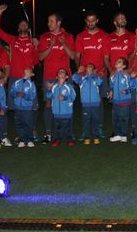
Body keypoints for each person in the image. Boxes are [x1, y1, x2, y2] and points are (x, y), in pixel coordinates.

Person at [0, 4, 38, 137]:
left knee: (32, 106)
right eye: (21, 25)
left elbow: (36, 62)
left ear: (28, 28)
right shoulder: (12, 40)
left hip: (28, 79)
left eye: (25, 25)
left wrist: (36, 46)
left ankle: (33, 130)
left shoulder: (33, 42)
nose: (23, 26)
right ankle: (21, 131)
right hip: (14, 78)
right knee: (16, 107)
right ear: (18, 28)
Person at [38, 13, 75, 144]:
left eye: (51, 21)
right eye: (48, 21)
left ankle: (68, 134)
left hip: (64, 78)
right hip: (49, 77)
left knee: (67, 103)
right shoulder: (44, 37)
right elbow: (41, 57)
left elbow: (72, 56)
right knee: (48, 103)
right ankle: (48, 134)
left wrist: (64, 44)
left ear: (59, 23)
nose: (49, 24)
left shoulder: (68, 36)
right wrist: (50, 46)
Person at [72, 63, 103, 145]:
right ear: (85, 70)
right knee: (86, 121)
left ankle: (96, 136)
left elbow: (100, 82)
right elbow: (74, 78)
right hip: (85, 104)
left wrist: (95, 74)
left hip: (95, 104)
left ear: (93, 70)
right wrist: (78, 72)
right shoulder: (82, 79)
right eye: (87, 67)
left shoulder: (96, 78)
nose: (89, 69)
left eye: (91, 67)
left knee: (95, 120)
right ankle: (87, 137)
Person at [46, 68, 76, 147]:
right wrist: (49, 89)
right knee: (57, 127)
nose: (61, 72)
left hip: (66, 112)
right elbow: (48, 96)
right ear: (56, 77)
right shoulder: (54, 87)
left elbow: (73, 97)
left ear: (66, 77)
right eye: (59, 72)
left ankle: (69, 139)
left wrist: (65, 98)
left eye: (63, 72)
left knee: (68, 127)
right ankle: (57, 140)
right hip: (56, 112)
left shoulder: (69, 86)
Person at [108, 57, 133, 142]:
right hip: (115, 101)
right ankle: (117, 134)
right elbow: (111, 86)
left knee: (124, 118)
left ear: (123, 66)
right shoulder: (112, 75)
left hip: (125, 100)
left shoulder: (126, 75)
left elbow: (132, 86)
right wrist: (111, 91)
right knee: (115, 118)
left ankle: (124, 135)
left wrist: (126, 91)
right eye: (116, 61)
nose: (116, 62)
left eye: (119, 62)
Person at [11, 67, 38, 147]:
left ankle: (29, 139)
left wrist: (25, 95)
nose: (26, 70)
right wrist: (16, 94)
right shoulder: (16, 82)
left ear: (31, 74)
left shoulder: (31, 84)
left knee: (28, 123)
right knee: (19, 123)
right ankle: (22, 140)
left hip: (27, 108)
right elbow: (12, 92)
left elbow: (33, 96)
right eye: (25, 69)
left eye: (28, 70)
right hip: (18, 107)